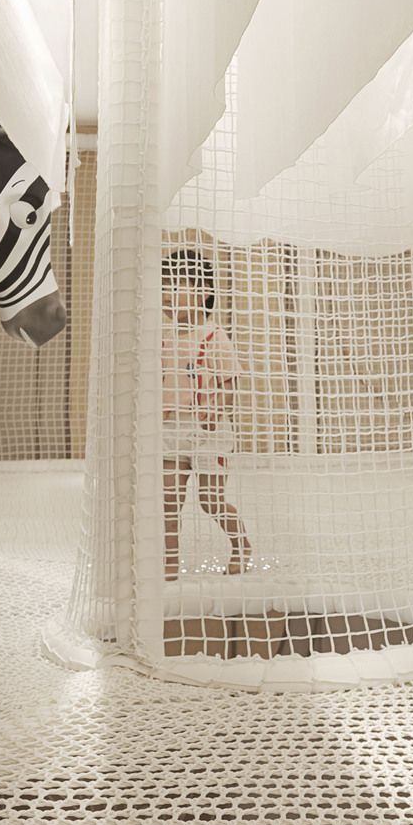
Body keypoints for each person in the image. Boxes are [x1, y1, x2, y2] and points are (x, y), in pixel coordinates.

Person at [162, 248, 251, 579]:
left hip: (207, 432)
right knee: (167, 501)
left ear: (204, 291)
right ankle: (169, 563)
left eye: (176, 285)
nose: (167, 294)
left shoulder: (213, 335)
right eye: (163, 286)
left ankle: (241, 544)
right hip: (169, 428)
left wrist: (217, 409)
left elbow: (229, 380)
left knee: (210, 500)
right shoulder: (163, 337)